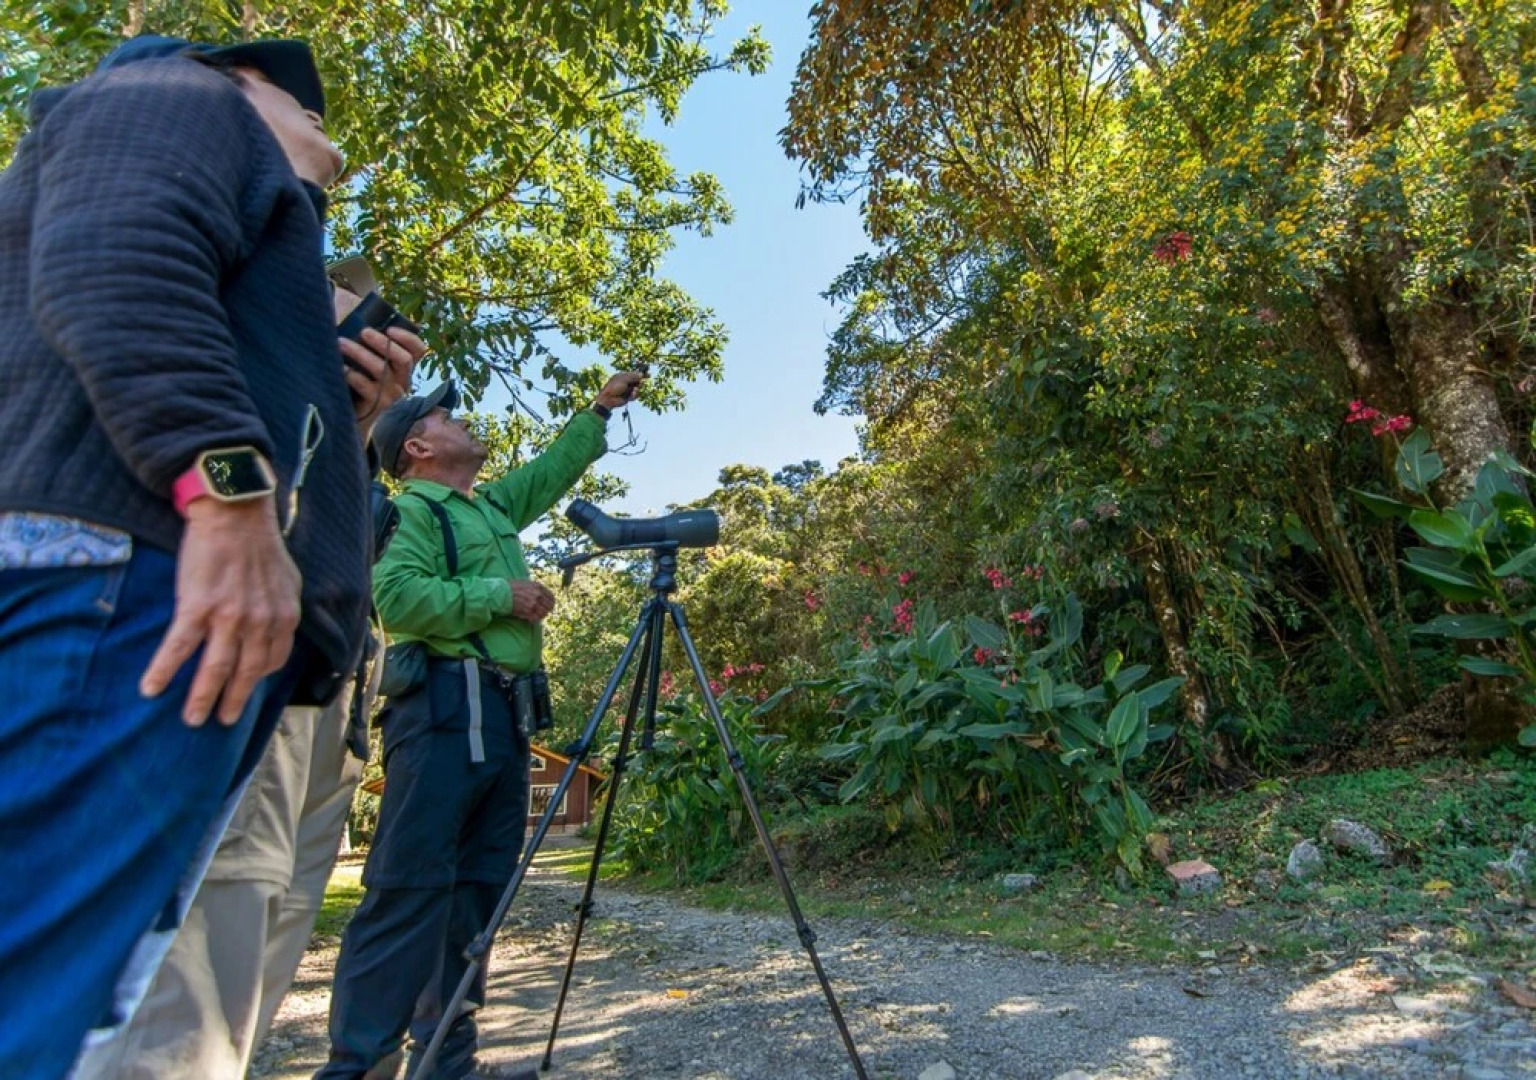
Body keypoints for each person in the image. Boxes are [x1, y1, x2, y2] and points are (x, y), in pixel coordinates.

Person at [0, 35, 373, 1079]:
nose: (323, 124)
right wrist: (229, 501)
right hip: (117, 584)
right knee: (35, 991)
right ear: (243, 82)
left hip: (133, 588)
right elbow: (114, 259)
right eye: (304, 105)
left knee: (80, 992)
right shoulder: (175, 94)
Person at [69, 262, 424, 1079]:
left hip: (325, 685)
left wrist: (352, 423)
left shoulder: (335, 430)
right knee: (191, 969)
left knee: (259, 950)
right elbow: (202, 451)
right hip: (233, 653)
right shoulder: (167, 281)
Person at [316, 370, 644, 1080]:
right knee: (409, 888)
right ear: (417, 450)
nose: (460, 420)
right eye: (443, 416)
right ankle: (356, 1067)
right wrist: (501, 594)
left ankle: (447, 1066)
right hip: (439, 710)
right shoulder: (411, 514)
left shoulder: (490, 508)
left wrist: (598, 410)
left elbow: (552, 471)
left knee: (476, 895)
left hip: (503, 713)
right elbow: (396, 600)